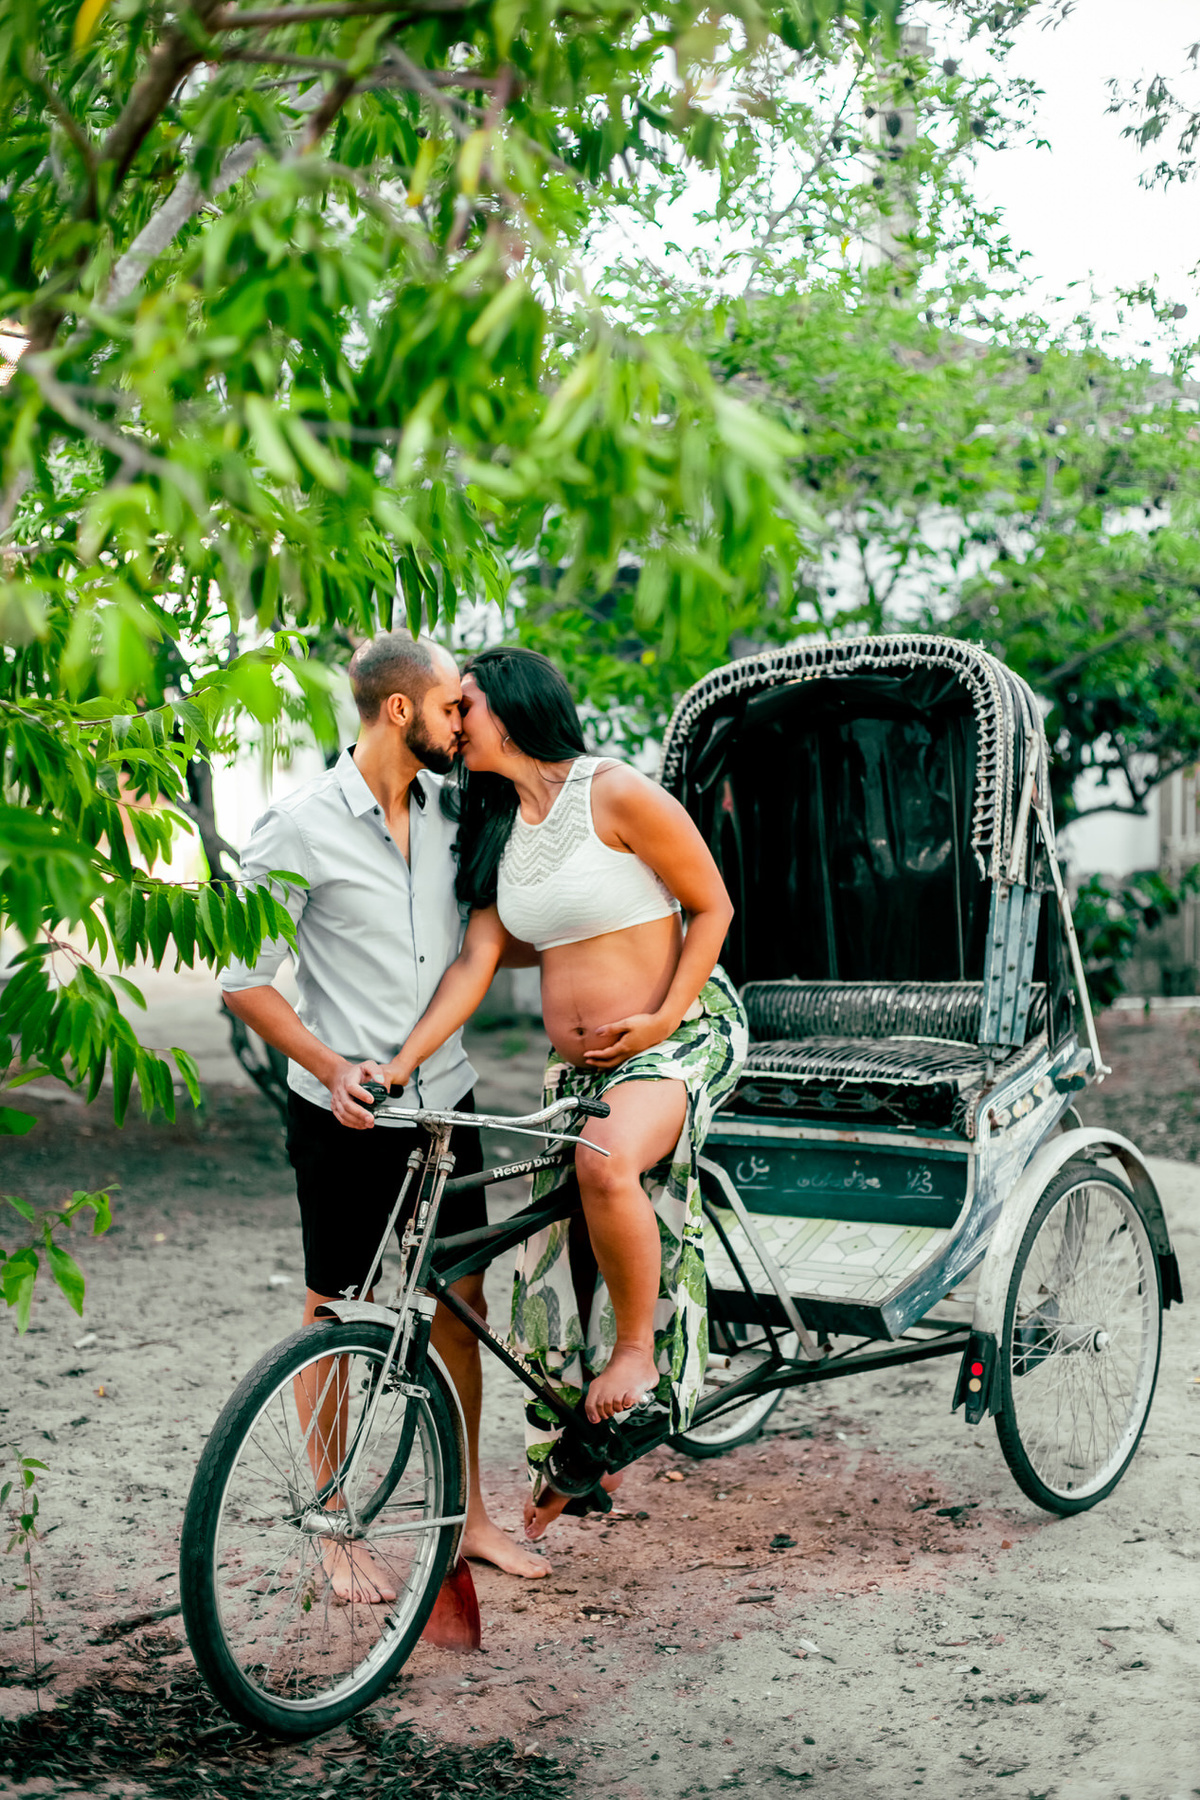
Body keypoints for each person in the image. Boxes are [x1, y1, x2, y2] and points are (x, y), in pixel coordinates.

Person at [371, 646, 748, 1542]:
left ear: (512, 709)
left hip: (681, 1035)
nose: (454, 723)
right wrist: (399, 1061)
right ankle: (579, 1454)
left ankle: (635, 1358)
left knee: (607, 1165)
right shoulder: (498, 823)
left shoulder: (613, 793)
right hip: (578, 1070)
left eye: (465, 706)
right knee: (548, 1243)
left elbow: (715, 907)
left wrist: (660, 1019)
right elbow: (476, 961)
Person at [219, 632, 548, 1596]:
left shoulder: (458, 812)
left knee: (464, 1306)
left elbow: (480, 949)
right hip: (343, 1112)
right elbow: (243, 980)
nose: (466, 720)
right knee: (335, 1311)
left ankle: (468, 1518)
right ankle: (331, 1523)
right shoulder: (297, 825)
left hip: (446, 1097)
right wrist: (332, 1068)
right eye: (454, 705)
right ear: (400, 710)